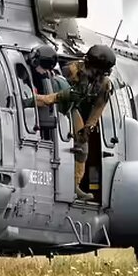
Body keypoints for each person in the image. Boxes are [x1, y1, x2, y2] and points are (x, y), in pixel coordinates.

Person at [34, 44, 117, 201]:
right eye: (96, 71)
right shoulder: (70, 71)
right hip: (61, 105)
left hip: (75, 110)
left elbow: (99, 107)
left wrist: (89, 127)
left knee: (82, 149)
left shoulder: (104, 84)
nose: (97, 75)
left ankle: (75, 185)